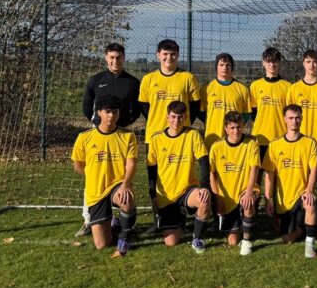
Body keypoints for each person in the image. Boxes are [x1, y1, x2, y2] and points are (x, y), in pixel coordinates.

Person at [76, 42, 141, 238]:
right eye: (111, 57)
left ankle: (125, 220)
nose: (115, 61)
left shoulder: (132, 82)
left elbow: (137, 108)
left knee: (121, 173)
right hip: (99, 133)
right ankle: (88, 220)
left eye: (118, 57)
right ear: (106, 58)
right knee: (93, 178)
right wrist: (98, 124)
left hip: (120, 135)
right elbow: (87, 106)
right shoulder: (95, 80)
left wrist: (125, 123)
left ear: (124, 58)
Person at [139, 38, 201, 226]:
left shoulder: (187, 78)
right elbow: (144, 107)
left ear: (178, 55)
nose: (169, 58)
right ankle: (158, 219)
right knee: (154, 181)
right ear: (158, 55)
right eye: (165, 54)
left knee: (182, 178)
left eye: (173, 54)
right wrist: (159, 123)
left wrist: (182, 125)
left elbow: (195, 106)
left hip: (181, 138)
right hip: (155, 138)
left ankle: (181, 214)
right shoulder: (149, 79)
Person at [70, 95, 138, 256]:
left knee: (126, 199)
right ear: (99, 112)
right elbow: (78, 165)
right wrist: (93, 175)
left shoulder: (127, 136)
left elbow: (131, 164)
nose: (111, 115)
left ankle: (125, 238)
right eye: (107, 111)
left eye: (115, 112)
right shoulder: (84, 137)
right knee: (101, 244)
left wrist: (125, 185)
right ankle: (115, 224)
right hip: (96, 191)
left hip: (118, 185)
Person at [146, 101, 212, 253]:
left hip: (187, 190)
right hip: (166, 196)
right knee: (171, 242)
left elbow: (204, 162)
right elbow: (151, 170)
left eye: (180, 117)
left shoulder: (193, 135)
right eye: (173, 117)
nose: (177, 121)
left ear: (185, 117)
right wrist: (152, 194)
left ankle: (196, 238)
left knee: (204, 199)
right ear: (167, 117)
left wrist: (204, 187)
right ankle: (180, 218)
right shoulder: (156, 139)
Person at [262, 104, 317, 258]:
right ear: (284, 119)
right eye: (291, 118)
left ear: (301, 119)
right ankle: (302, 229)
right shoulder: (275, 144)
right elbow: (269, 175)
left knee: (310, 203)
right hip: (284, 201)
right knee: (287, 239)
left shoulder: (310, 142)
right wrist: (268, 199)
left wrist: (309, 190)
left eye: (297, 118)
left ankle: (309, 244)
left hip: (301, 194)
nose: (294, 121)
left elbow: (314, 170)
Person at [209, 110, 261, 255]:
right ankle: (245, 225)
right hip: (228, 198)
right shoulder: (216, 147)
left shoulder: (251, 142)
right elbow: (212, 175)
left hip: (247, 189)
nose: (236, 131)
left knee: (248, 202)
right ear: (226, 128)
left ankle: (246, 241)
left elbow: (254, 168)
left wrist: (249, 192)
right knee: (232, 241)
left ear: (243, 126)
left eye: (239, 127)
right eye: (232, 127)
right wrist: (217, 198)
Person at [201, 53, 252, 149]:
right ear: (216, 67)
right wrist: (213, 122)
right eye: (221, 65)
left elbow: (246, 115)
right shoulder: (207, 88)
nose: (225, 67)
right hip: (213, 138)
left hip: (234, 140)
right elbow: (201, 112)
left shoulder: (242, 89)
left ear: (232, 67)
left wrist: (235, 128)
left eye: (228, 65)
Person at [249, 47, 292, 161]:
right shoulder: (255, 86)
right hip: (260, 136)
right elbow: (253, 111)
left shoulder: (288, 86)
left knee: (279, 171)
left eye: (275, 61)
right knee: (257, 170)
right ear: (263, 63)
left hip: (281, 136)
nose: (272, 65)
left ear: (280, 63)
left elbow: (290, 113)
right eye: (268, 61)